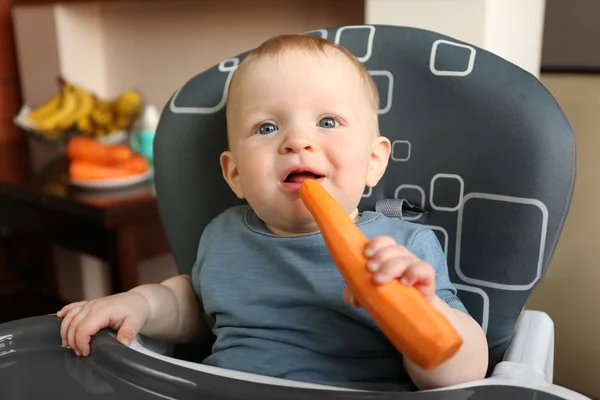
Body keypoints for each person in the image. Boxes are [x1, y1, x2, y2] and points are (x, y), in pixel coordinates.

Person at [57, 33, 488, 391]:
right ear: (235, 174)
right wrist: (142, 304)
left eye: (328, 122)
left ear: (374, 161)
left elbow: (464, 373)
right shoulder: (222, 235)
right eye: (267, 127)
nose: (297, 140)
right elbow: (194, 309)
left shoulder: (404, 249)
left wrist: (422, 306)